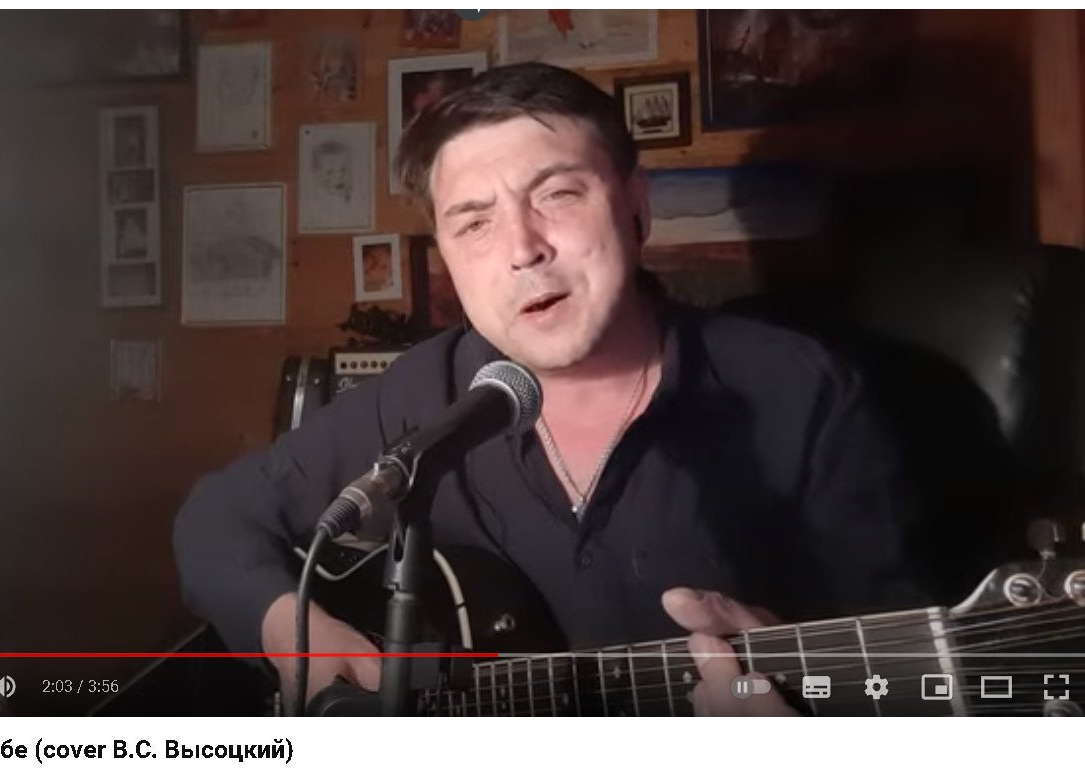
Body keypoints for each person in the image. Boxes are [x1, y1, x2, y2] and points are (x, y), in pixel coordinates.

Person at [173, 62, 922, 716]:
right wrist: (290, 633)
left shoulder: (807, 394)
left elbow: (909, 679)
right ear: (448, 258)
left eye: (558, 195)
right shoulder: (423, 391)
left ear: (636, 206)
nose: (522, 249)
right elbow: (216, 519)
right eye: (474, 224)